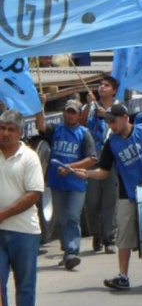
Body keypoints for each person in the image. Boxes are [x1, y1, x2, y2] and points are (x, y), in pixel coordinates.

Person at [75, 104, 142, 290]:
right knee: (124, 235)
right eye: (108, 122)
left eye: (114, 120)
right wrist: (87, 174)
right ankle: (123, 275)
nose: (111, 125)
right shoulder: (111, 143)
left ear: (125, 117)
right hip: (127, 193)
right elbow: (104, 171)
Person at [36, 98, 97, 270]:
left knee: (72, 216)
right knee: (62, 220)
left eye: (73, 112)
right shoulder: (56, 130)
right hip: (57, 184)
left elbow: (92, 158)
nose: (69, 115)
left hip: (76, 184)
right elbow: (40, 125)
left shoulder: (84, 134)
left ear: (79, 115)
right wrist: (41, 106)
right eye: (67, 111)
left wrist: (70, 167)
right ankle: (67, 252)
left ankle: (72, 252)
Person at [0, 110, 44, 306]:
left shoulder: (29, 158)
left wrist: (3, 215)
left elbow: (34, 194)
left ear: (19, 133)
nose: (5, 133)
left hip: (24, 232)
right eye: (2, 128)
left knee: (25, 284)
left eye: (10, 129)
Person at [81, 76, 120, 253]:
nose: (102, 87)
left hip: (111, 154)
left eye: (107, 85)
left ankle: (109, 237)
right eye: (101, 85)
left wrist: (108, 116)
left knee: (110, 198)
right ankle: (96, 232)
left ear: (114, 91)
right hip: (92, 155)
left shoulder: (118, 108)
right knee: (91, 199)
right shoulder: (90, 106)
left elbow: (125, 127)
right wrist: (89, 105)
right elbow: (80, 124)